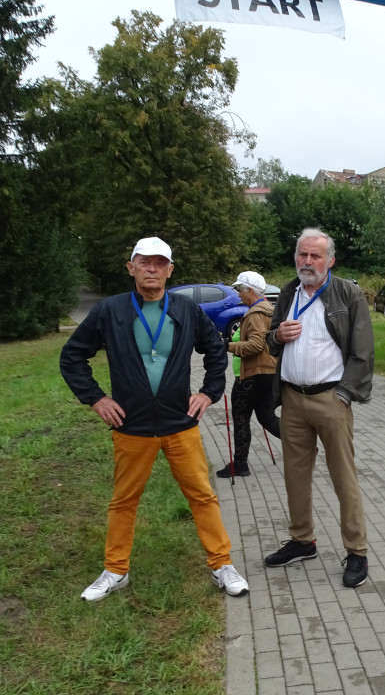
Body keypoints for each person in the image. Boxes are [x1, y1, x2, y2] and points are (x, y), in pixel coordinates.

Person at [60, 236, 249, 601]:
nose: (152, 269)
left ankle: (221, 565)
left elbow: (215, 351)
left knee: (202, 496)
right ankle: (116, 571)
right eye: (144, 262)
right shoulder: (110, 310)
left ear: (170, 270)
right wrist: (96, 399)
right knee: (124, 499)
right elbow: (72, 357)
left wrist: (209, 392)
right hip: (131, 425)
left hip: (180, 423)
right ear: (130, 267)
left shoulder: (185, 309)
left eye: (160, 263)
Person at [263, 227, 374, 588]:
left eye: (315, 256)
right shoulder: (288, 292)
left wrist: (344, 394)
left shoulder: (348, 293)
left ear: (330, 261)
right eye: (302, 255)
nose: (307, 262)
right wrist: (277, 336)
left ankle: (356, 551)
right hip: (293, 399)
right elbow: (271, 339)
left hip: (332, 399)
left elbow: (363, 352)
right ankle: (301, 540)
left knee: (344, 479)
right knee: (295, 476)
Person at [218, 270, 281, 478]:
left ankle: (240, 464)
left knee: (240, 417)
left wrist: (228, 346)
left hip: (253, 373)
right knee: (266, 417)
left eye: (240, 290)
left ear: (250, 291)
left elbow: (255, 345)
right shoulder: (270, 310)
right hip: (270, 372)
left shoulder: (254, 314)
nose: (238, 295)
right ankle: (303, 445)